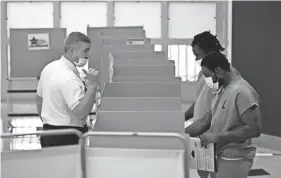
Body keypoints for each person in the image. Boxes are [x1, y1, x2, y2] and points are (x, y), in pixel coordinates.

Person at [186, 52, 262, 178]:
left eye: (208, 76)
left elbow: (254, 129)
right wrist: (181, 134)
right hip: (219, 154)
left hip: (235, 157)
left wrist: (217, 137)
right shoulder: (222, 90)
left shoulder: (242, 92)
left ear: (219, 70)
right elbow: (206, 121)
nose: (207, 81)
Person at [36, 32, 99, 147]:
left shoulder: (49, 68)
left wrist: (50, 121)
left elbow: (39, 98)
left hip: (48, 133)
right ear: (71, 51)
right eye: (85, 51)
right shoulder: (69, 78)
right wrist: (92, 86)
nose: (87, 55)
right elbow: (80, 113)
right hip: (68, 137)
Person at [185, 31, 226, 125]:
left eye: (197, 55)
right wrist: (181, 118)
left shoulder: (223, 74)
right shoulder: (203, 74)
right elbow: (200, 102)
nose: (196, 59)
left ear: (210, 51)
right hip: (201, 130)